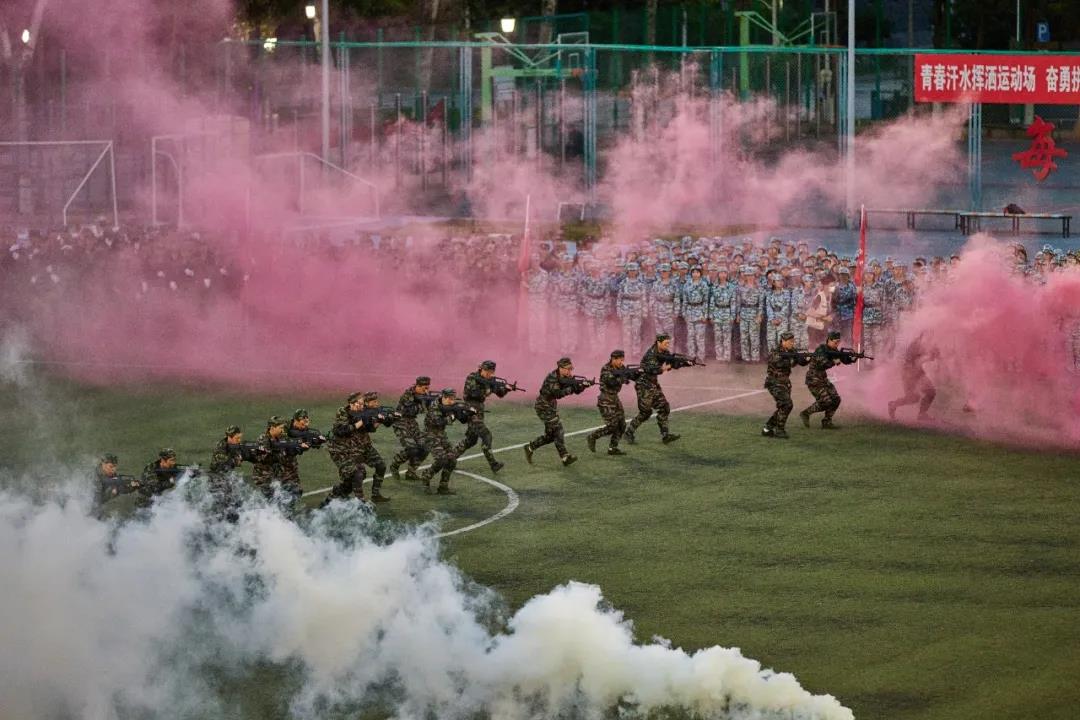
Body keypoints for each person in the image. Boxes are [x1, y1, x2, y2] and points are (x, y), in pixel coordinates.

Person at [326, 392, 391, 504]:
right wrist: (361, 421)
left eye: (362, 404)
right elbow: (341, 431)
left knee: (381, 466)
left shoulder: (364, 412)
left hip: (363, 445)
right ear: (352, 403)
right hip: (346, 449)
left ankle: (375, 495)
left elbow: (370, 428)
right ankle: (359, 502)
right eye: (359, 404)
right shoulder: (343, 412)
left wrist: (380, 420)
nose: (362, 406)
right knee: (357, 475)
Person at [524, 357, 588, 466]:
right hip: (543, 406)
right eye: (568, 369)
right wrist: (573, 388)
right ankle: (565, 457)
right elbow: (558, 394)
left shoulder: (567, 377)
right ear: (560, 368)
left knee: (550, 436)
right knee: (558, 429)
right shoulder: (552, 378)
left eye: (571, 369)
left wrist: (583, 386)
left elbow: (576, 390)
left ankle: (530, 447)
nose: (570, 371)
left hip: (551, 406)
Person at [624, 334, 680, 444]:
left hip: (653, 384)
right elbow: (656, 370)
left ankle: (665, 435)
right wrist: (670, 366)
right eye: (666, 343)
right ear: (659, 342)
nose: (668, 345)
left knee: (664, 407)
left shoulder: (664, 352)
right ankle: (629, 432)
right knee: (645, 412)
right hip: (643, 385)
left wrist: (683, 363)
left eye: (668, 343)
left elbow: (672, 362)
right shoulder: (651, 354)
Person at [455, 360, 509, 473]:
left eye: (491, 372)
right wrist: (489, 388)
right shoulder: (472, 377)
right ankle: (493, 464)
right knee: (486, 435)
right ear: (482, 369)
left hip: (479, 410)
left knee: (471, 440)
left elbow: (500, 394)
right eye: (487, 371)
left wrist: (506, 389)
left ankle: (450, 458)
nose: (489, 374)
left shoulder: (490, 380)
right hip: (470, 410)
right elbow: (473, 393)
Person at [799, 331, 855, 429]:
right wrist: (834, 362)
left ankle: (827, 422)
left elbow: (843, 360)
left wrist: (852, 359)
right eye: (835, 342)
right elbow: (823, 364)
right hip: (813, 379)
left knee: (836, 399)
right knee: (826, 401)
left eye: (838, 342)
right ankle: (805, 413)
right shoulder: (821, 349)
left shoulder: (834, 350)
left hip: (823, 378)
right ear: (829, 340)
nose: (837, 344)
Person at [420, 388, 471, 495]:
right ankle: (426, 476)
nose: (452, 401)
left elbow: (463, 420)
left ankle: (443, 487)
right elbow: (439, 422)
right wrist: (452, 416)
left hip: (441, 435)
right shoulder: (434, 407)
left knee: (452, 460)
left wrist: (466, 413)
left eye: (453, 399)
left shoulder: (449, 405)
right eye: (450, 399)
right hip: (430, 436)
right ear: (444, 397)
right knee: (442, 459)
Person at [762, 332, 809, 439]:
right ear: (783, 341)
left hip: (784, 383)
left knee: (783, 406)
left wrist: (806, 359)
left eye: (793, 341)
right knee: (787, 404)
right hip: (774, 382)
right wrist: (794, 358)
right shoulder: (775, 352)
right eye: (790, 341)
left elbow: (800, 362)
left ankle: (767, 428)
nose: (792, 343)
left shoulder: (792, 351)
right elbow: (780, 363)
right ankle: (779, 430)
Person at [888, 333, 941, 421]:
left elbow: (930, 356)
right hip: (909, 373)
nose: (930, 337)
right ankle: (893, 405)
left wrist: (934, 355)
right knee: (913, 398)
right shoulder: (915, 345)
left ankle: (922, 415)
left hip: (918, 373)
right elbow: (917, 361)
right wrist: (930, 356)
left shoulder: (925, 344)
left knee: (930, 393)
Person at [586, 350, 630, 456]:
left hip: (615, 398)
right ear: (613, 359)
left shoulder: (621, 368)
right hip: (605, 400)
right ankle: (593, 436)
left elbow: (627, 377)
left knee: (622, 425)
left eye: (622, 360)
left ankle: (612, 448)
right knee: (612, 426)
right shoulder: (606, 369)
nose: (621, 362)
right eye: (620, 360)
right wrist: (622, 379)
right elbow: (611, 382)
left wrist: (631, 375)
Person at [390, 375, 433, 482]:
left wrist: (431, 402)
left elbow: (428, 410)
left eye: (427, 388)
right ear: (418, 386)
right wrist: (425, 403)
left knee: (425, 447)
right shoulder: (408, 395)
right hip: (401, 422)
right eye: (424, 388)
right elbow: (412, 410)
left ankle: (411, 472)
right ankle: (395, 465)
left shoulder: (423, 395)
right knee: (412, 449)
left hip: (412, 423)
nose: (426, 391)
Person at [253, 416, 306, 503]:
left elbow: (290, 445)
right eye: (280, 428)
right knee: (273, 499)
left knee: (296, 491)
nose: (282, 430)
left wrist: (297, 446)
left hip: (279, 473)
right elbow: (266, 459)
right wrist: (280, 451)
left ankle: (286, 510)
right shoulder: (263, 440)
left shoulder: (281, 437)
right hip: (265, 476)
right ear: (272, 428)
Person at [617, 262, 649, 355]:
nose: (632, 272)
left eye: (634, 270)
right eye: (630, 270)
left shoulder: (640, 283)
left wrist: (645, 311)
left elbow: (644, 298)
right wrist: (619, 310)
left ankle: (636, 352)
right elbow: (619, 298)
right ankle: (627, 351)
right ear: (627, 271)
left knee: (636, 331)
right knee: (626, 332)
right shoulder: (623, 283)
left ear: (637, 271)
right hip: (625, 309)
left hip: (637, 309)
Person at [681, 266, 710, 360]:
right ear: (691, 273)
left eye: (697, 272)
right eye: (693, 272)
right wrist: (684, 313)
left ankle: (701, 356)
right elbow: (685, 300)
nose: (695, 274)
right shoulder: (687, 284)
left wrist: (705, 315)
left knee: (700, 336)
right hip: (689, 311)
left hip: (700, 312)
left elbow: (706, 301)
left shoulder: (704, 285)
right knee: (690, 335)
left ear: (700, 274)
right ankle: (691, 355)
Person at [708, 267, 737, 362]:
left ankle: (727, 356)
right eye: (721, 273)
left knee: (727, 337)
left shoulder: (731, 287)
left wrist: (733, 316)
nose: (723, 275)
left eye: (725, 273)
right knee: (718, 336)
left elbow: (733, 302)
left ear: (727, 275)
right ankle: (719, 356)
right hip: (717, 313)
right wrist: (711, 315)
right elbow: (712, 302)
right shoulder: (714, 287)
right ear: (718, 275)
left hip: (727, 312)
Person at [737, 267, 764, 362]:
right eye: (748, 275)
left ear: (754, 276)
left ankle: (755, 357)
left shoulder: (759, 288)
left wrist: (759, 315)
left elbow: (761, 303)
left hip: (754, 313)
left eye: (751, 275)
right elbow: (738, 302)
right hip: (744, 313)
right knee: (744, 337)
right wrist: (738, 314)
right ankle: (745, 357)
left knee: (754, 337)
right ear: (745, 276)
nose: (750, 277)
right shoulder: (740, 288)